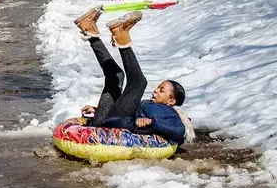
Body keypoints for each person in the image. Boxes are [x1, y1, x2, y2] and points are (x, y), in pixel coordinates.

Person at [73, 8, 192, 146]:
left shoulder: (170, 113)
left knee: (139, 82)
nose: (155, 91)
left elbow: (179, 130)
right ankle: (89, 29)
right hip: (109, 121)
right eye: (158, 88)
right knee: (117, 76)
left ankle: (121, 35)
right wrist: (100, 110)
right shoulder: (153, 106)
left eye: (162, 90)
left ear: (172, 100)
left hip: (111, 125)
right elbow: (129, 112)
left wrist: (152, 122)